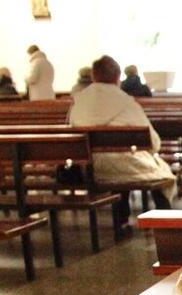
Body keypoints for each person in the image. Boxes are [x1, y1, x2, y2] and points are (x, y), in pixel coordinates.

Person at [69, 55, 175, 233]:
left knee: (119, 164)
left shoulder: (79, 102)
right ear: (118, 78)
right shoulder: (126, 102)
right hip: (126, 166)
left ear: (94, 77)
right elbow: (152, 141)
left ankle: (123, 218)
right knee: (163, 175)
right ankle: (166, 225)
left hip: (90, 168)